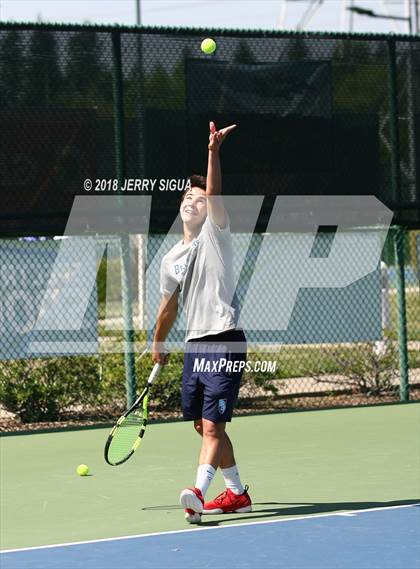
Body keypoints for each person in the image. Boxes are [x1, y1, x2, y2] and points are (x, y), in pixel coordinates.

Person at [152, 121, 252, 524]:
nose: (192, 200)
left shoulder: (217, 233)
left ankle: (198, 492)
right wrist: (158, 341)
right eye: (186, 197)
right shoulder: (170, 259)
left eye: (198, 197)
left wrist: (213, 153)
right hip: (195, 346)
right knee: (203, 426)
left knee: (213, 427)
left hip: (225, 339)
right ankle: (237, 493)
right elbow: (168, 306)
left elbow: (214, 192)